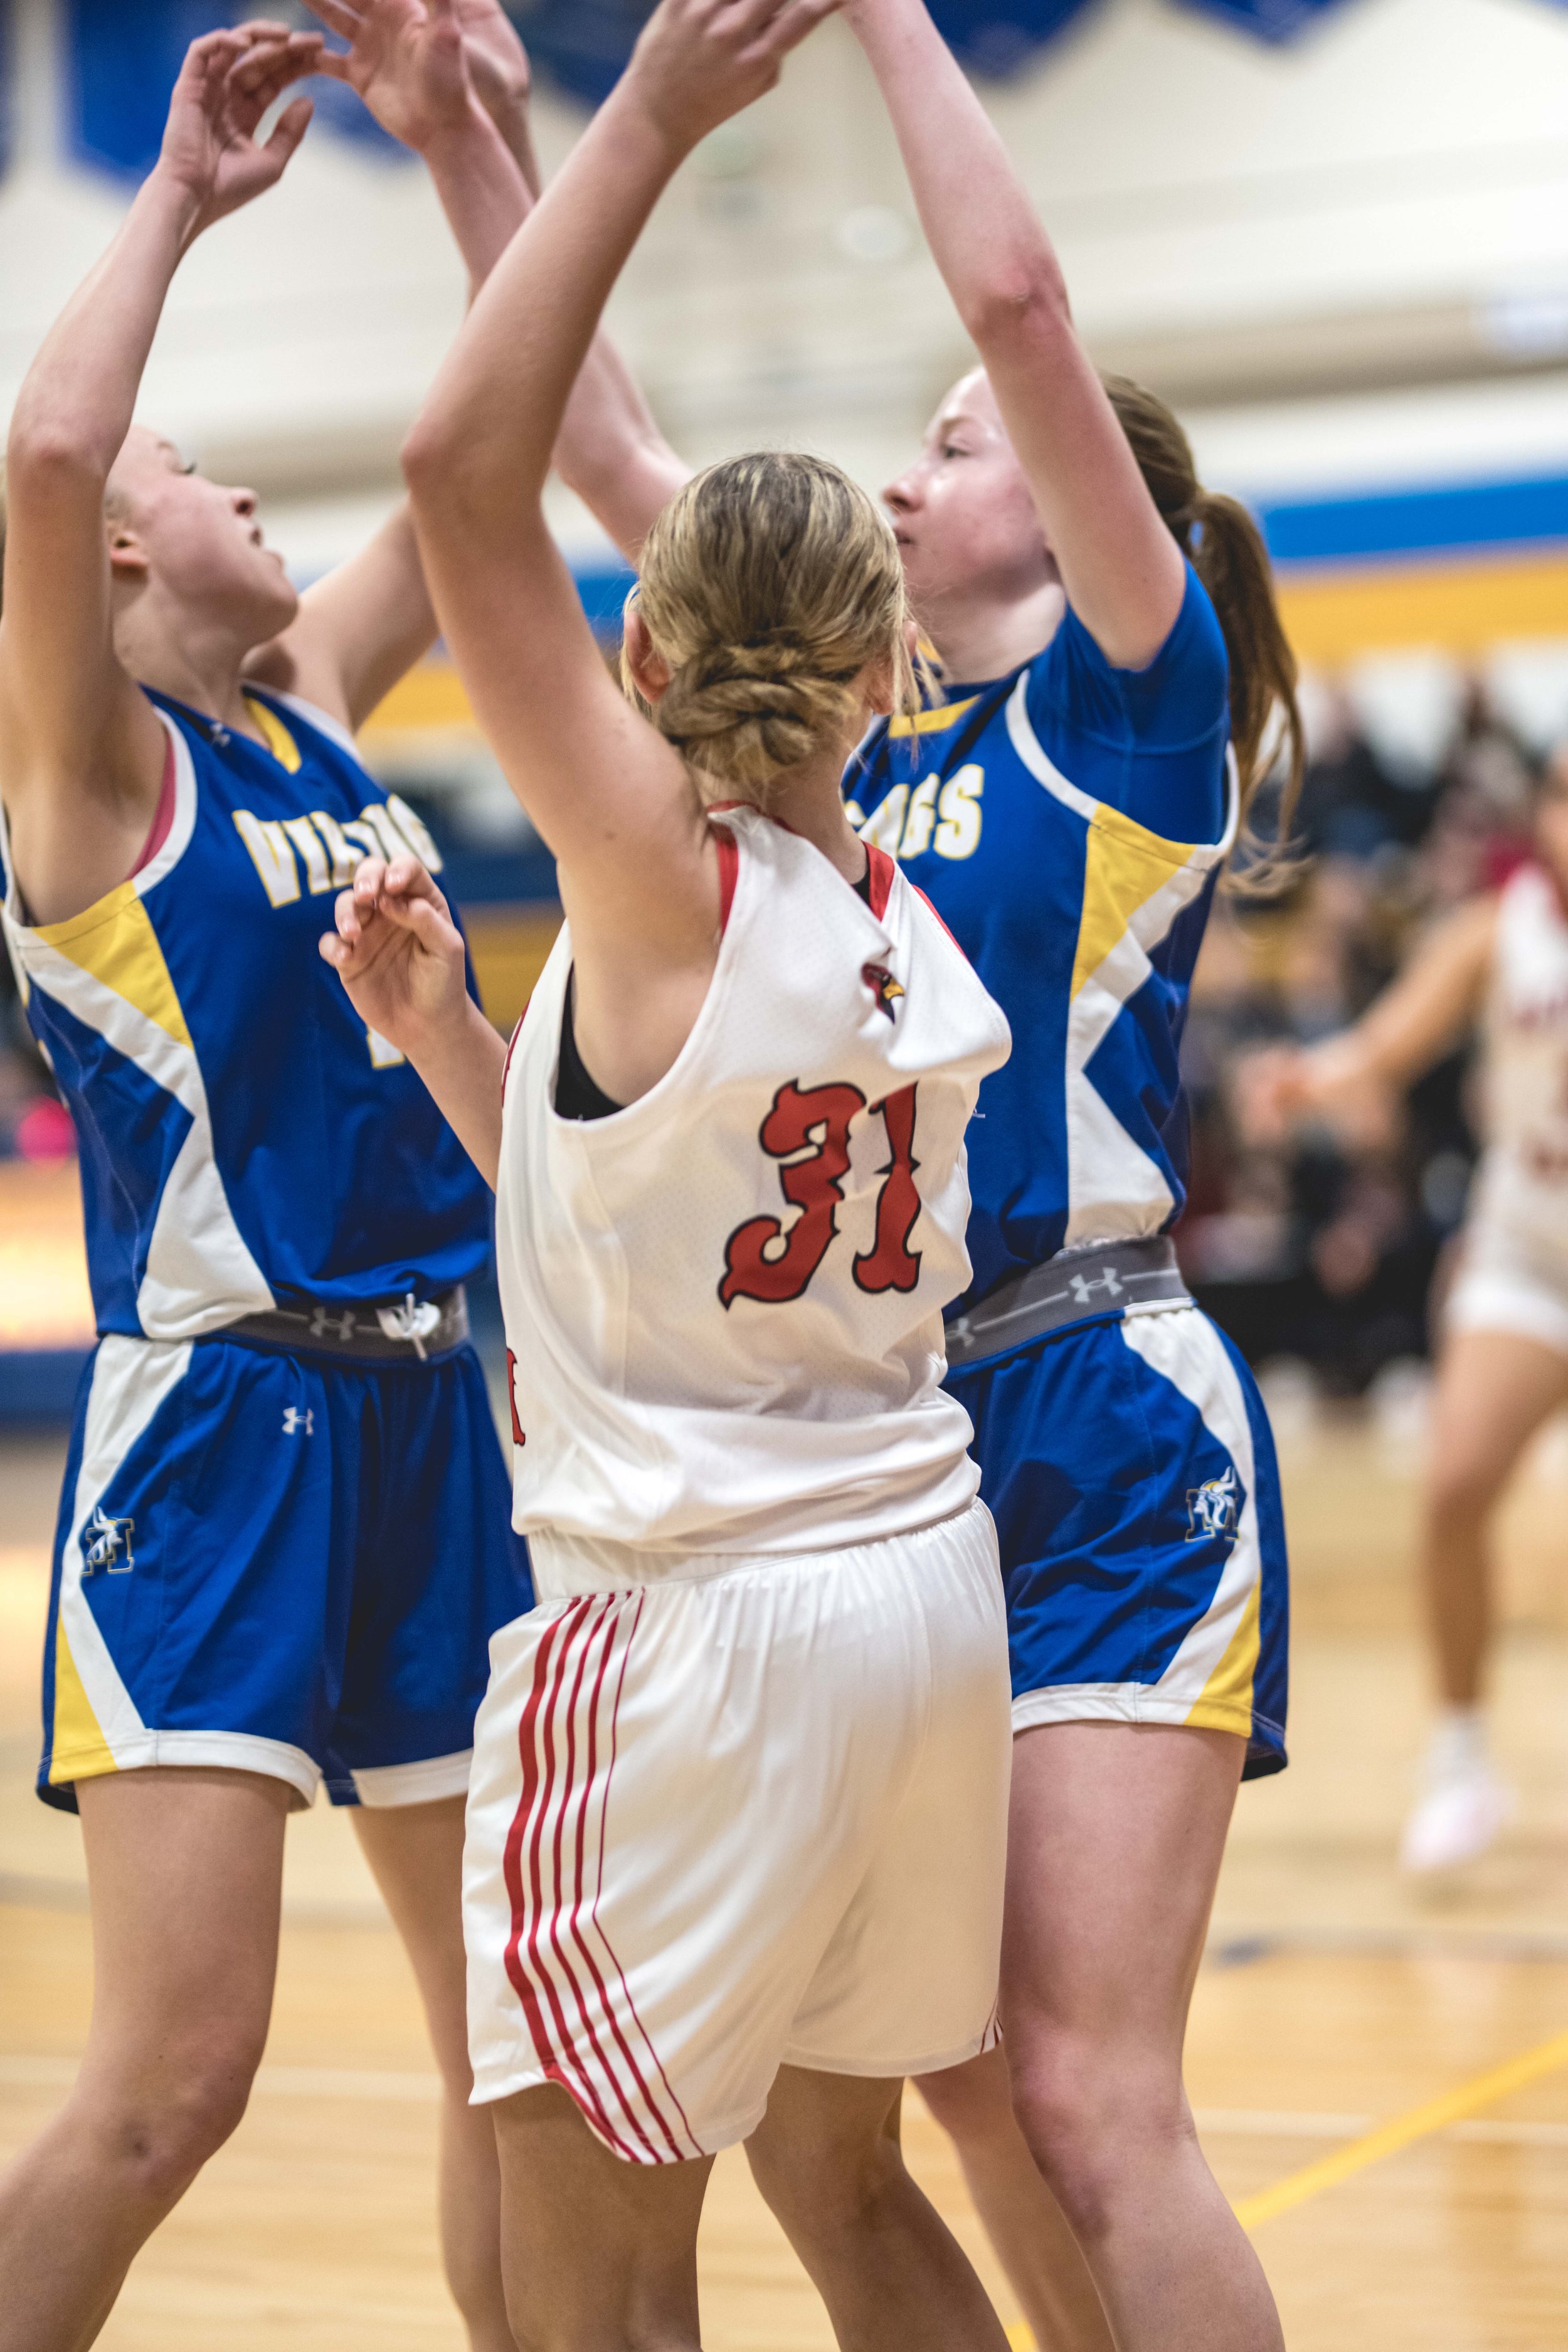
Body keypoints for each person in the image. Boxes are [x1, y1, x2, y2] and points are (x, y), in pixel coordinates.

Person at [319, 3, 1026, 2346]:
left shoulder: (665, 887)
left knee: (596, 2284)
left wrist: (633, 111)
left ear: (643, 651)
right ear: (881, 672)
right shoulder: (887, 906)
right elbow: (648, 1207)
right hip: (916, 1593)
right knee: (854, 2188)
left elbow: (467, 469)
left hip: (704, 1635)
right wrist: (450, 1044)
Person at [0, 18, 554, 2346]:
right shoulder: (89, 780)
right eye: (207, 472)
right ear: (132, 549)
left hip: (444, 1413)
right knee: (172, 2087)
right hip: (222, 1430)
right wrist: (178, 199)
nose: (253, 496)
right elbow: (47, 448)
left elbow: (500, 442)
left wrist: (478, 142)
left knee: (511, 2054)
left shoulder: (310, 705)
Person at [1248, 751, 1568, 1876]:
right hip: (1529, 1254)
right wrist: (1311, 1078)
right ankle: (1461, 1758)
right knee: (1454, 1487)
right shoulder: (1496, 928)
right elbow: (1389, 1041)